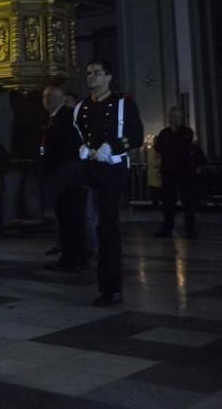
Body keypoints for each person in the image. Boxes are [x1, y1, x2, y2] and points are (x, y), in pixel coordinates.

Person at [73, 59, 143, 307]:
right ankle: (78, 258)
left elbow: (136, 137)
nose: (91, 78)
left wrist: (112, 147)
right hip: (88, 167)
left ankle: (112, 287)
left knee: (107, 227)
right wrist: (81, 147)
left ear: (109, 77)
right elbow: (76, 135)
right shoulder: (81, 107)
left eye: (97, 73)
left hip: (112, 169)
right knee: (80, 217)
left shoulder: (123, 103)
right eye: (89, 73)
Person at [40, 84, 88, 271]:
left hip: (68, 177)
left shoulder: (67, 116)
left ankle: (75, 259)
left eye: (51, 96)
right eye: (45, 96)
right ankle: (69, 257)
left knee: (73, 220)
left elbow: (71, 146)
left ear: (61, 98)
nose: (47, 100)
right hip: (60, 177)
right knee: (65, 219)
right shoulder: (54, 118)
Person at [153, 107, 201, 238]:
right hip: (168, 171)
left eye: (177, 116)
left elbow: (185, 148)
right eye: (172, 116)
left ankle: (190, 230)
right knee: (168, 202)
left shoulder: (187, 132)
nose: (174, 119)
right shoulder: (165, 133)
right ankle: (167, 229)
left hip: (185, 171)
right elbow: (159, 147)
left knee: (188, 202)